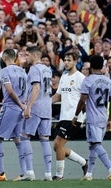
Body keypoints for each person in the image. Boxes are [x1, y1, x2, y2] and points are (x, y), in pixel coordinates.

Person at [0, 49, 27, 181]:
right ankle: (23, 173)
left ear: (4, 57)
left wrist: (20, 105)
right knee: (18, 140)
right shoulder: (23, 71)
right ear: (15, 57)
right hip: (21, 108)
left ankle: (1, 173)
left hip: (10, 107)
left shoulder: (5, 71)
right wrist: (23, 106)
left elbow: (9, 91)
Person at [73, 55, 111, 181]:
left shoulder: (88, 80)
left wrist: (76, 115)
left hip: (93, 117)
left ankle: (110, 168)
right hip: (103, 116)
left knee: (95, 144)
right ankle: (89, 174)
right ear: (101, 66)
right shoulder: (108, 81)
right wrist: (110, 118)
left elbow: (83, 100)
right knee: (93, 145)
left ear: (91, 66)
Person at [52, 52, 88, 180]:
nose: (66, 62)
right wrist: (45, 104)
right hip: (64, 116)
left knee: (59, 144)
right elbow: (58, 95)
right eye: (65, 60)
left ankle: (59, 176)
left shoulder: (81, 77)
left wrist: (79, 116)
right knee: (57, 146)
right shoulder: (64, 76)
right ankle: (84, 163)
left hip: (74, 117)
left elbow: (85, 99)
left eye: (69, 60)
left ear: (75, 61)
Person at [20, 46, 53, 181]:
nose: (26, 58)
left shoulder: (34, 69)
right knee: (44, 139)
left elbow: (36, 87)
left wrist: (28, 107)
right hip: (47, 107)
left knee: (25, 136)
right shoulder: (47, 69)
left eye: (27, 55)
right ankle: (48, 174)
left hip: (36, 107)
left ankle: (30, 172)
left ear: (34, 55)